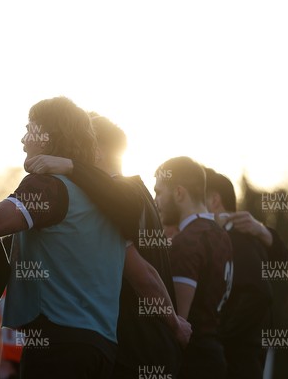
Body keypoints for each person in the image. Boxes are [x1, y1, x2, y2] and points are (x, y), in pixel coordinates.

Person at [0, 97, 130, 378]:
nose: (23, 139)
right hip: (102, 348)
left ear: (47, 137)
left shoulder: (48, 185)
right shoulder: (106, 201)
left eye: (29, 129)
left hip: (59, 346)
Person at [24, 114, 186, 378]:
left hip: (135, 351)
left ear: (96, 151)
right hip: (152, 348)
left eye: (81, 145)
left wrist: (176, 325)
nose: (76, 151)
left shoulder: (118, 198)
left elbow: (145, 275)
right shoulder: (139, 192)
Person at [204, 168, 288, 379]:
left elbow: (257, 294)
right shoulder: (229, 240)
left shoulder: (237, 242)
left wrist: (217, 338)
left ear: (214, 200)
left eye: (198, 198)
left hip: (236, 365)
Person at [153, 156, 234, 379]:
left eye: (159, 192)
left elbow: (178, 321)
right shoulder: (221, 235)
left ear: (179, 193)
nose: (155, 200)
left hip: (192, 362)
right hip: (213, 354)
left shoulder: (189, 240)